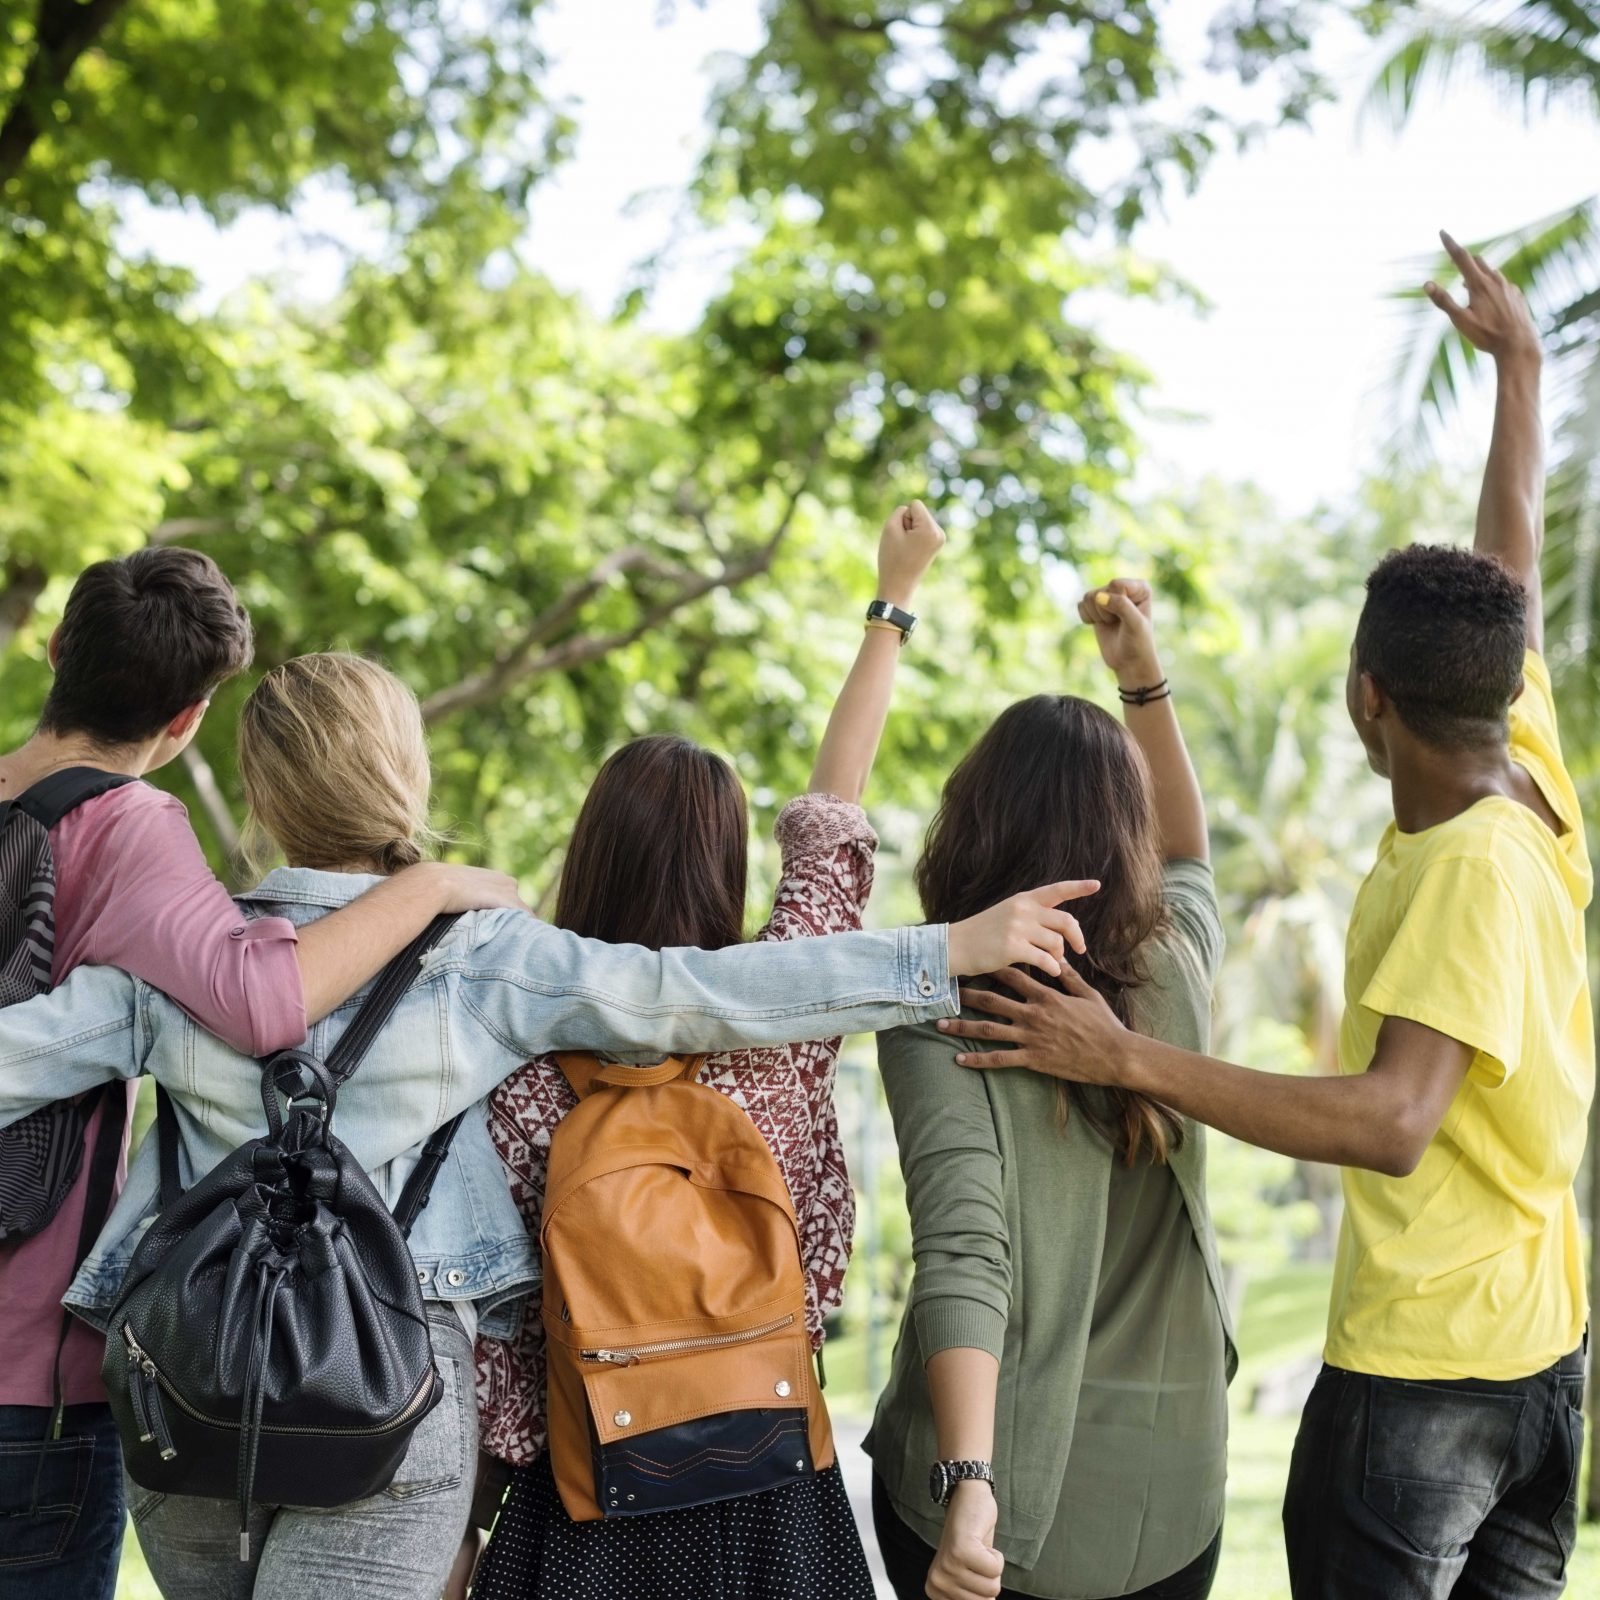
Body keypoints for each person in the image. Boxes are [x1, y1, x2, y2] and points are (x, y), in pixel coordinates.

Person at [0, 648, 1091, 1600]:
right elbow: (700, 991)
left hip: (183, 1384)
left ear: (258, 789)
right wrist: (942, 952)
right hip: (391, 1392)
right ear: (407, 775)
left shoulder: (179, 958)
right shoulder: (480, 957)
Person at [940, 235, 1593, 1599]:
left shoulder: (1467, 867)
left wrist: (1123, 1054)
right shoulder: (1525, 768)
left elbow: (1392, 1119)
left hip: (1429, 1384)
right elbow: (1511, 565)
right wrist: (1521, 373)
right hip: (1538, 1358)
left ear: (1368, 698)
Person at [0, 548, 523, 1600]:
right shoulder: (133, 824)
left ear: (55, 648)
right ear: (189, 717)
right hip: (31, 1375)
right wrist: (428, 887)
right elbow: (260, 999)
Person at [467, 500, 945, 1600]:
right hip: (768, 1475)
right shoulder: (783, 1020)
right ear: (725, 864)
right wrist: (892, 600)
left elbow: (500, 1331)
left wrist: (466, 1527)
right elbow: (832, 816)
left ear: (590, 854)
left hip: (584, 1491)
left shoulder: (517, 1051)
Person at [865, 576, 1232, 1600]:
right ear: (1125, 831)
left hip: (991, 1501)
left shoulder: (940, 1003)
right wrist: (1143, 681)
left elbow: (963, 1251)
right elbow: (1190, 853)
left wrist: (968, 1481)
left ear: (973, 819)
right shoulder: (1174, 965)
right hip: (1170, 1504)